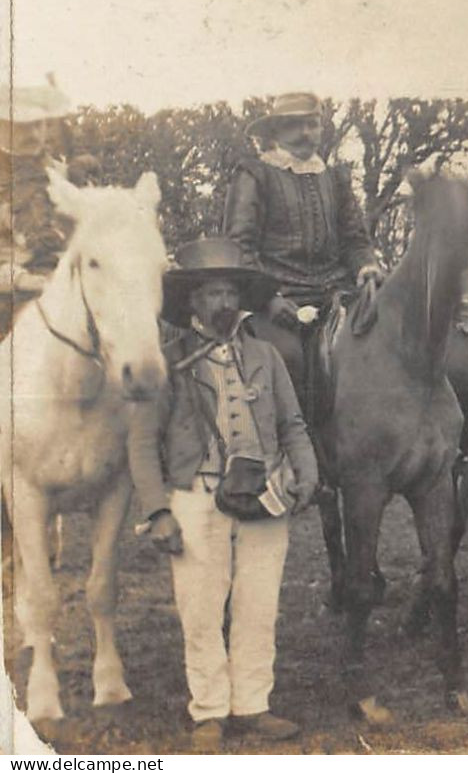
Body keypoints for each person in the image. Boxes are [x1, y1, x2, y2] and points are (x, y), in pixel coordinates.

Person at [127, 238, 319, 751]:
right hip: (197, 497)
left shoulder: (266, 355)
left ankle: (253, 705)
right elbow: (143, 443)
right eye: (212, 292)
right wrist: (159, 510)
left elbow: (293, 423)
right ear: (192, 301)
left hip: (265, 495)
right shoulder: (167, 363)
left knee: (259, 604)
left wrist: (308, 470)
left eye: (230, 291)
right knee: (201, 607)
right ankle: (209, 710)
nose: (223, 303)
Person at [223, 92, 384, 414]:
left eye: (313, 124)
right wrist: (267, 298)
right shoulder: (255, 174)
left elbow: (354, 239)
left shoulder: (335, 178)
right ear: (276, 132)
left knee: (380, 346)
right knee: (286, 358)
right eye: (296, 125)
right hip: (277, 297)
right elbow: (240, 246)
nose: (306, 133)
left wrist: (366, 265)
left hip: (335, 293)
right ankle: (291, 451)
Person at [0, 80, 77, 332]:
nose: (35, 134)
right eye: (23, 126)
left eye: (40, 124)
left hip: (66, 288)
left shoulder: (60, 173)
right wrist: (19, 279)